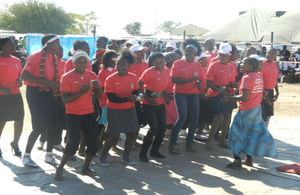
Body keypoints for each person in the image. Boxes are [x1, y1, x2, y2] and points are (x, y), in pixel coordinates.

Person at [55, 50, 102, 181]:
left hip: (89, 113)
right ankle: (60, 168)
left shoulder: (91, 75)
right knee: (73, 144)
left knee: (93, 143)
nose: (82, 64)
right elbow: (65, 100)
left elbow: (99, 96)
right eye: (79, 62)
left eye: (84, 62)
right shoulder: (67, 77)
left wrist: (98, 88)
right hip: (73, 114)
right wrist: (81, 91)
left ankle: (85, 168)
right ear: (74, 63)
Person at [223, 57, 277, 168]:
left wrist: (229, 98)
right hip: (256, 109)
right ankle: (248, 159)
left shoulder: (247, 77)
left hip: (246, 111)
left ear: (251, 66)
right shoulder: (258, 76)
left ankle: (237, 160)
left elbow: (244, 97)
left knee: (235, 135)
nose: (242, 64)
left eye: (245, 63)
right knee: (250, 135)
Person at [21, 34, 62, 167]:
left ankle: (49, 155)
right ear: (48, 44)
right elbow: (24, 76)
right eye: (57, 43)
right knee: (38, 127)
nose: (59, 45)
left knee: (52, 125)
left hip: (50, 93)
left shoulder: (54, 57)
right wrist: (46, 82)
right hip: (35, 94)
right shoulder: (35, 57)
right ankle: (26, 156)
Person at [99, 50, 140, 166]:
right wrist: (129, 98)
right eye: (117, 64)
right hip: (114, 109)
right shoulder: (110, 79)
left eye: (122, 64)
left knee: (132, 133)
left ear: (129, 65)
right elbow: (111, 98)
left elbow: (137, 90)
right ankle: (103, 156)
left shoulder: (133, 77)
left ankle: (126, 157)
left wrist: (137, 96)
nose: (119, 66)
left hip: (129, 109)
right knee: (114, 136)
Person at [169, 44, 204, 154]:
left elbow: (200, 79)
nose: (189, 53)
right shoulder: (178, 63)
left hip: (194, 93)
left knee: (195, 117)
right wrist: (189, 80)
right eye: (187, 51)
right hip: (180, 93)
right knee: (182, 117)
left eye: (192, 51)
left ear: (195, 53)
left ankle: (189, 142)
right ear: (184, 52)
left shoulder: (198, 65)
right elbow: (174, 80)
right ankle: (173, 144)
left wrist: (199, 84)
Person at [138, 52, 170, 162]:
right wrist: (147, 98)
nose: (159, 64)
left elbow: (164, 87)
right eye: (157, 62)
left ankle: (154, 151)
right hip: (148, 104)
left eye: (161, 62)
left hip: (160, 103)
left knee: (162, 129)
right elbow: (139, 86)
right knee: (154, 128)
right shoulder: (148, 72)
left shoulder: (167, 71)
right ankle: (143, 153)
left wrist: (166, 98)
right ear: (153, 62)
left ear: (164, 62)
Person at [205, 43, 236, 149]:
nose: (221, 57)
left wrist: (235, 85)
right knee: (219, 117)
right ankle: (209, 140)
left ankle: (223, 141)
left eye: (224, 55)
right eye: (220, 55)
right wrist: (219, 90)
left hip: (228, 93)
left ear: (229, 56)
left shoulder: (231, 66)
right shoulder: (213, 65)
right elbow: (208, 82)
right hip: (216, 93)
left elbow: (231, 82)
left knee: (227, 118)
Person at [0, 38, 24, 157]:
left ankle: (15, 143)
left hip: (15, 94)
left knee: (19, 119)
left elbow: (19, 76)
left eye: (13, 43)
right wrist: (2, 89)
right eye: (10, 44)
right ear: (2, 46)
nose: (13, 45)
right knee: (1, 121)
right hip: (2, 96)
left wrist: (20, 81)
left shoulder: (17, 60)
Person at [97, 50, 118, 150]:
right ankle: (99, 143)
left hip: (115, 101)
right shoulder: (103, 72)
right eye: (114, 58)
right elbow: (101, 88)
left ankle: (113, 144)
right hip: (106, 101)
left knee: (114, 125)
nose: (115, 60)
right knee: (106, 125)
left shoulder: (116, 70)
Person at [261, 49, 279, 127]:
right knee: (262, 114)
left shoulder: (275, 65)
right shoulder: (262, 64)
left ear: (275, 56)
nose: (270, 55)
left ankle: (265, 131)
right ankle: (260, 133)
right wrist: (264, 96)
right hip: (262, 92)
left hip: (271, 91)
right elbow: (259, 80)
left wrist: (277, 92)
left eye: (273, 54)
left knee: (269, 113)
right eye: (269, 53)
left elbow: (275, 79)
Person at [163, 52, 180, 136]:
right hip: (166, 97)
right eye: (176, 60)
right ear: (170, 61)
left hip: (175, 96)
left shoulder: (175, 70)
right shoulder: (164, 71)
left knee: (175, 116)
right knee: (168, 117)